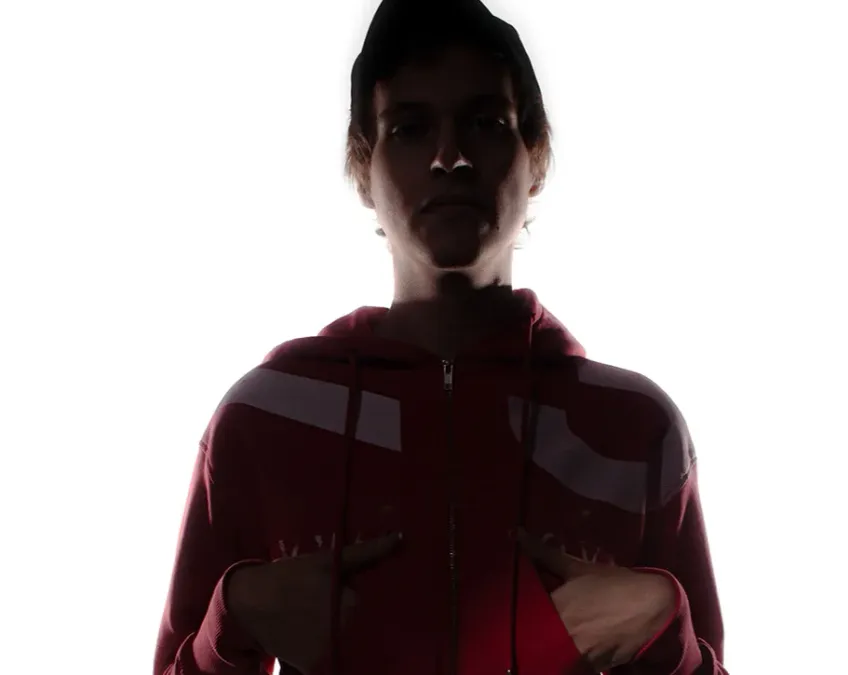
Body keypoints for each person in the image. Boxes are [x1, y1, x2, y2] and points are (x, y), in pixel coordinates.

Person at [153, 1, 727, 673]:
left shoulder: (634, 429)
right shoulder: (267, 418)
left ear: (536, 156)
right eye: (409, 128)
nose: (449, 157)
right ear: (362, 169)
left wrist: (666, 630)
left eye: (485, 123)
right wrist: (232, 620)